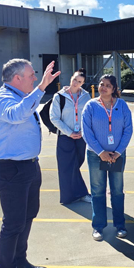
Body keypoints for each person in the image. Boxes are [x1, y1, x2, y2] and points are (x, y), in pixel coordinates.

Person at [0, 58, 60, 268]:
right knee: (13, 223)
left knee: (27, 216)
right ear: (16, 78)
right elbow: (17, 115)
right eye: (31, 75)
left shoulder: (20, 96)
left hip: (28, 166)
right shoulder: (2, 99)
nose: (35, 79)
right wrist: (41, 89)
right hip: (10, 169)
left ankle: (20, 261)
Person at [82, 75, 133, 241]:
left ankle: (120, 225)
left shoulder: (122, 105)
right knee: (97, 191)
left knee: (117, 190)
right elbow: (86, 132)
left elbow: (128, 130)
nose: (103, 88)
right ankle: (98, 226)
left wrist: (118, 152)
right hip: (96, 155)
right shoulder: (90, 106)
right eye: (101, 84)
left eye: (108, 85)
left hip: (117, 155)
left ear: (114, 88)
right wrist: (100, 152)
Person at [50, 68, 92, 205]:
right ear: (71, 79)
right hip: (65, 136)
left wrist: (82, 131)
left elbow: (89, 116)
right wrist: (69, 132)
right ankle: (76, 195)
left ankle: (75, 193)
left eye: (79, 81)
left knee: (76, 163)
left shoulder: (86, 97)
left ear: (83, 83)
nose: (76, 83)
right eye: (75, 80)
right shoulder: (59, 96)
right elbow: (54, 118)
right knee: (66, 166)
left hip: (81, 136)